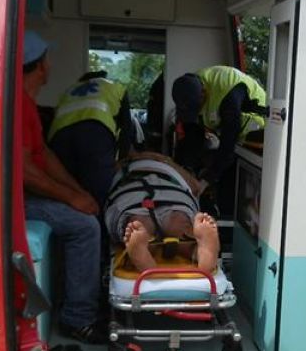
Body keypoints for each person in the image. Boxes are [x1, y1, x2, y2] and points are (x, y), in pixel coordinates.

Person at [20, 31, 105, 343]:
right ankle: (78, 319)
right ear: (40, 65)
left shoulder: (27, 103)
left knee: (83, 211)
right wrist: (71, 198)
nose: (50, 64)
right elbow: (23, 171)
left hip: (27, 193)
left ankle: (74, 298)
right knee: (85, 227)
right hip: (16, 200)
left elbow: (44, 154)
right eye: (47, 59)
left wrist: (77, 191)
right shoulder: (17, 105)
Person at [104, 153, 220, 274]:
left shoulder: (120, 164)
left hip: (133, 192)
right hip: (171, 193)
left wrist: (154, 158)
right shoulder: (168, 165)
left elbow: (196, 187)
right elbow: (195, 187)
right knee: (179, 222)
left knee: (139, 223)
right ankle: (197, 252)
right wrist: (164, 160)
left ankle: (145, 249)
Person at [48, 71, 138, 208]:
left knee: (66, 192)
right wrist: (122, 160)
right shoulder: (114, 87)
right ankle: (97, 219)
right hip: (94, 134)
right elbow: (126, 129)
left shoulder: (70, 90)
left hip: (59, 137)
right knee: (98, 195)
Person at [171, 65, 267, 194]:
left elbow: (228, 144)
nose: (196, 112)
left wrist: (206, 180)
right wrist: (181, 168)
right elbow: (191, 134)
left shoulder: (227, 94)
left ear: (204, 93)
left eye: (196, 109)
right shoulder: (190, 89)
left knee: (228, 180)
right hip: (232, 130)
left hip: (258, 131)